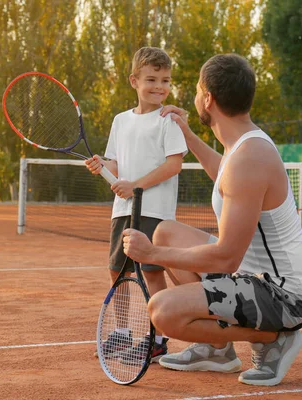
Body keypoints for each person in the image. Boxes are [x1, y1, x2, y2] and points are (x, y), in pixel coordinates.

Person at [122, 53, 302, 386]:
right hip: (251, 276)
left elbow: (226, 257)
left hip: (284, 298)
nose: (194, 97)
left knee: (163, 310)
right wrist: (186, 133)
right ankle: (217, 349)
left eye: (197, 90)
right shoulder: (240, 145)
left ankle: (274, 338)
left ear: (208, 99)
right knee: (165, 231)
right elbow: (225, 176)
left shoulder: (250, 158)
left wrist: (151, 255)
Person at [85, 46, 188, 362]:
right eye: (152, 79)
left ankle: (156, 339)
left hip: (154, 211)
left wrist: (135, 186)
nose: (159, 87)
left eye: (165, 80)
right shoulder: (120, 120)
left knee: (152, 272)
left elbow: (174, 165)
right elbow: (117, 164)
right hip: (123, 210)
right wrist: (102, 165)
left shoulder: (167, 120)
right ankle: (121, 333)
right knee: (116, 269)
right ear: (134, 81)